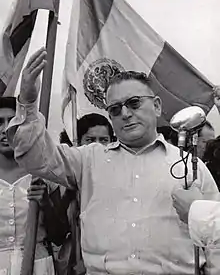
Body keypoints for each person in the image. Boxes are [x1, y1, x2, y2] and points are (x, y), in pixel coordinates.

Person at [6, 48, 220, 274]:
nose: (125, 113)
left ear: (157, 106)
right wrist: (28, 103)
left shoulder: (190, 166)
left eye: (134, 103)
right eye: (115, 109)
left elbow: (215, 242)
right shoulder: (88, 159)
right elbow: (36, 157)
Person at [0, 96, 68, 274]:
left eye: (13, 121)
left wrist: (46, 204)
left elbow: (59, 236)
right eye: (0, 122)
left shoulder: (44, 173)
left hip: (38, 265)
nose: (5, 129)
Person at [58, 115, 114, 275]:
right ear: (78, 141)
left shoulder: (116, 176)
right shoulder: (64, 176)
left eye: (104, 140)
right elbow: (57, 230)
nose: (97, 146)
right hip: (72, 255)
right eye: (90, 140)